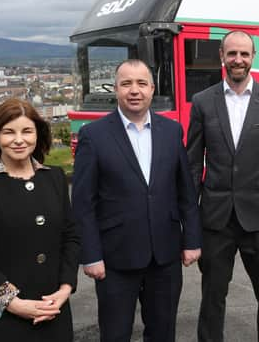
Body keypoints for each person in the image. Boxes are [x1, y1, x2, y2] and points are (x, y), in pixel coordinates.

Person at [72, 59, 201, 342]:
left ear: (152, 89)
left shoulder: (172, 131)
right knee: (115, 334)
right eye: (126, 83)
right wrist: (91, 255)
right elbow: (83, 203)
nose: (134, 90)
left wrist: (191, 240)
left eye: (141, 83)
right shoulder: (93, 136)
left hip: (165, 256)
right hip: (115, 258)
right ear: (116, 89)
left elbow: (186, 192)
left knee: (163, 333)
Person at [187, 30, 259, 342]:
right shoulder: (203, 103)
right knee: (211, 300)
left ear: (253, 58)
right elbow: (193, 164)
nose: (238, 60)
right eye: (232, 53)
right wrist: (190, 220)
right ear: (221, 56)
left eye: (244, 54)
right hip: (215, 220)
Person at [0, 98, 80, 342]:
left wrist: (65, 289)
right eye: (9, 132)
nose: (19, 140)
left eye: (27, 131)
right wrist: (12, 303)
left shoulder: (54, 177)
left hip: (52, 314)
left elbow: (71, 236)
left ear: (38, 134)